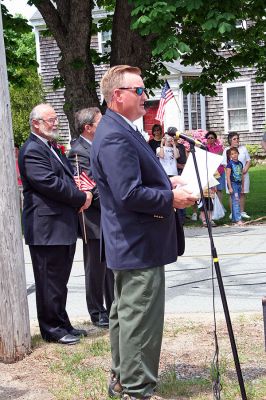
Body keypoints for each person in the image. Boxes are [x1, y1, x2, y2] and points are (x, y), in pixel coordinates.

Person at [90, 65, 197, 400]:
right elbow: (128, 194)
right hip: (138, 243)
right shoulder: (115, 134)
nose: (144, 96)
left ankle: (123, 380)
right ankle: (137, 390)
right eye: (138, 91)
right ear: (117, 96)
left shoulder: (119, 128)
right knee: (141, 320)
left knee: (126, 314)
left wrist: (167, 182)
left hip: (132, 241)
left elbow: (132, 181)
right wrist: (171, 198)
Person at [19, 103, 92, 345]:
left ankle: (62, 322)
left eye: (55, 119)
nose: (55, 123)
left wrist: (83, 190)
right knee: (49, 281)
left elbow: (69, 176)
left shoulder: (52, 147)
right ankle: (51, 329)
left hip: (62, 224)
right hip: (46, 228)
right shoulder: (31, 150)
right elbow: (49, 183)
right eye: (50, 120)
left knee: (59, 280)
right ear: (35, 124)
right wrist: (81, 198)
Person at [68, 107, 114, 328]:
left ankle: (114, 306)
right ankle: (97, 311)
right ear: (88, 128)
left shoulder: (99, 146)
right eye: (99, 122)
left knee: (111, 266)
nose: (103, 125)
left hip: (108, 216)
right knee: (96, 268)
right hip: (93, 218)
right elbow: (88, 186)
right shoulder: (78, 152)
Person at [222, 132, 251, 219]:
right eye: (234, 139)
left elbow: (248, 160)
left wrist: (245, 169)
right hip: (232, 177)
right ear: (230, 140)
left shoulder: (243, 149)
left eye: (238, 138)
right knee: (233, 194)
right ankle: (233, 212)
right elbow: (224, 164)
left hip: (243, 175)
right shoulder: (226, 150)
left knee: (242, 193)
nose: (237, 140)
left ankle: (241, 211)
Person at [226, 147, 244, 226]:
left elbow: (242, 175)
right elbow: (228, 176)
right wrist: (230, 187)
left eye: (235, 153)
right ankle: (238, 219)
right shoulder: (230, 164)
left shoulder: (240, 163)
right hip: (233, 184)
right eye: (232, 154)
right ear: (230, 156)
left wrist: (243, 186)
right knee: (236, 201)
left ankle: (234, 219)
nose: (234, 155)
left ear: (238, 153)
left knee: (236, 201)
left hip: (239, 184)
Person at [205, 131, 225, 202]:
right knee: (211, 189)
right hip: (210, 172)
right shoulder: (205, 148)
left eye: (212, 138)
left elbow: (218, 157)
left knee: (219, 189)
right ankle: (213, 206)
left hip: (220, 171)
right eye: (208, 138)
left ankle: (220, 207)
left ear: (215, 139)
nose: (210, 139)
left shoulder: (220, 147)